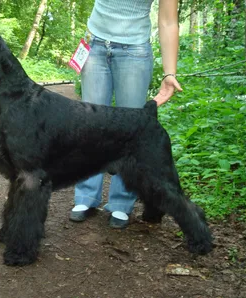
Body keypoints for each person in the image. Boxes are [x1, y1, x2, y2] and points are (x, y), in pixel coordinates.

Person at [69, 0, 183, 228]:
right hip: (95, 46)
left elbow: (169, 20)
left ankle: (121, 203)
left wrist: (170, 72)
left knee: (130, 132)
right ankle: (86, 197)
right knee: (89, 126)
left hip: (135, 52)